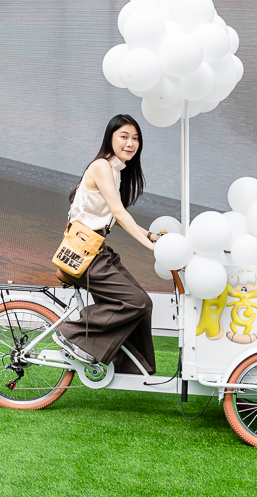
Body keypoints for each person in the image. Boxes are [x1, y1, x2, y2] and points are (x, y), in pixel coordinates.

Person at [53, 114, 160, 375]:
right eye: (124, 136)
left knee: (143, 303)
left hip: (97, 250)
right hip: (83, 253)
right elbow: (120, 213)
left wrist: (150, 236)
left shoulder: (115, 171)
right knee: (135, 301)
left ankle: (132, 370)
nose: (130, 143)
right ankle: (72, 334)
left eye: (135, 138)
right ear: (110, 138)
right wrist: (151, 249)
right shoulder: (102, 166)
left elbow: (115, 217)